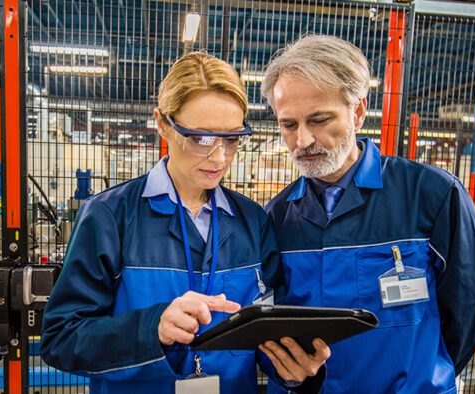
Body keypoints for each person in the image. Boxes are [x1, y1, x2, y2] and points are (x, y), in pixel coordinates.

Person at [41, 52, 329, 394]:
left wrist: (293, 368)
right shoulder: (109, 217)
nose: (220, 157)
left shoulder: (252, 221)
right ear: (162, 123)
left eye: (232, 139)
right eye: (201, 138)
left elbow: (265, 333)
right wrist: (153, 327)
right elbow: (61, 338)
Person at [261, 35, 475, 393]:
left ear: (358, 111)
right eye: (289, 125)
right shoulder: (276, 218)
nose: (303, 140)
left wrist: (423, 377)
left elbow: (466, 313)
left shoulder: (431, 196)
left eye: (319, 120)